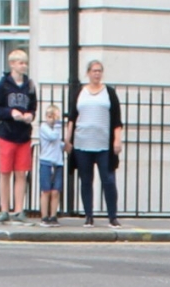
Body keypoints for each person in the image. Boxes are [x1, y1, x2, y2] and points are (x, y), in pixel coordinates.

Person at [69, 58, 123, 227]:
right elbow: (72, 117)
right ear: (88, 73)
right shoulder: (79, 92)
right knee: (86, 180)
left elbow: (116, 119)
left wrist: (117, 139)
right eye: (94, 71)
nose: (97, 74)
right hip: (82, 143)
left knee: (108, 180)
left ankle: (112, 216)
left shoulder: (109, 93)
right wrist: (67, 138)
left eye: (99, 71)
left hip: (103, 144)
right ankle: (89, 216)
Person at [0, 47, 36, 223]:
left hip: (23, 135)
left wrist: (30, 115)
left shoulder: (30, 86)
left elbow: (33, 107)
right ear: (12, 65)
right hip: (7, 134)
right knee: (5, 172)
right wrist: (11, 113)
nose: (24, 66)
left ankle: (19, 210)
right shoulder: (3, 85)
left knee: (21, 173)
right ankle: (4, 209)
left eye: (25, 63)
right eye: (20, 63)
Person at [34, 101, 65, 225]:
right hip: (46, 162)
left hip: (57, 162)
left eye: (55, 117)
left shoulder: (57, 129)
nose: (52, 120)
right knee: (45, 190)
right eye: (50, 116)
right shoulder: (44, 127)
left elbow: (58, 143)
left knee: (56, 191)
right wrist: (58, 126)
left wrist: (64, 145)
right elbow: (52, 137)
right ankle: (44, 216)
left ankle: (53, 215)